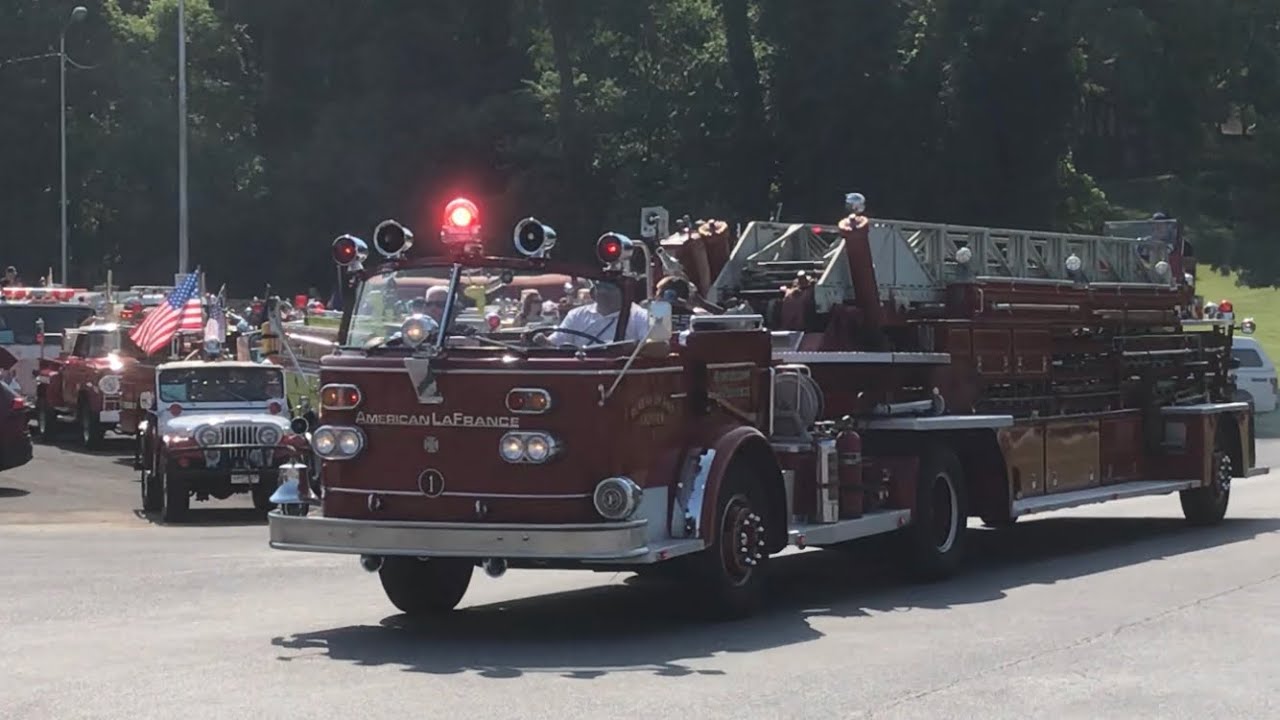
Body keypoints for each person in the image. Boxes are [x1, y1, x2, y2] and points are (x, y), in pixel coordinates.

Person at [544, 280, 649, 347]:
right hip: (580, 371)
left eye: (610, 288)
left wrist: (632, 348)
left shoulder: (640, 316)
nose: (604, 292)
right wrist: (539, 340)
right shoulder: (576, 315)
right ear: (593, 293)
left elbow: (656, 347)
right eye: (600, 287)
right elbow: (555, 344)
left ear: (625, 293)